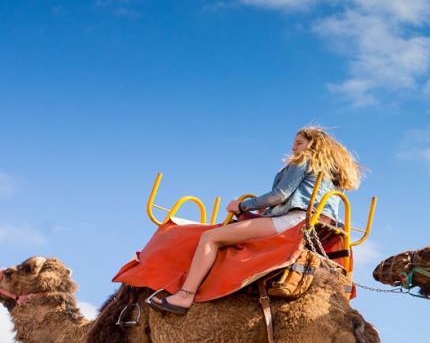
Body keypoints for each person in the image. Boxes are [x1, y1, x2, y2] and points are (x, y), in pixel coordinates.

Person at [147, 126, 362, 313]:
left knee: (210, 237)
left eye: (299, 143)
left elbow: (280, 195)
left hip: (292, 221)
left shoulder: (305, 160)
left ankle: (185, 295)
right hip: (316, 224)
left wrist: (242, 205)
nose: (294, 147)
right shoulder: (330, 175)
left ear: (314, 145)